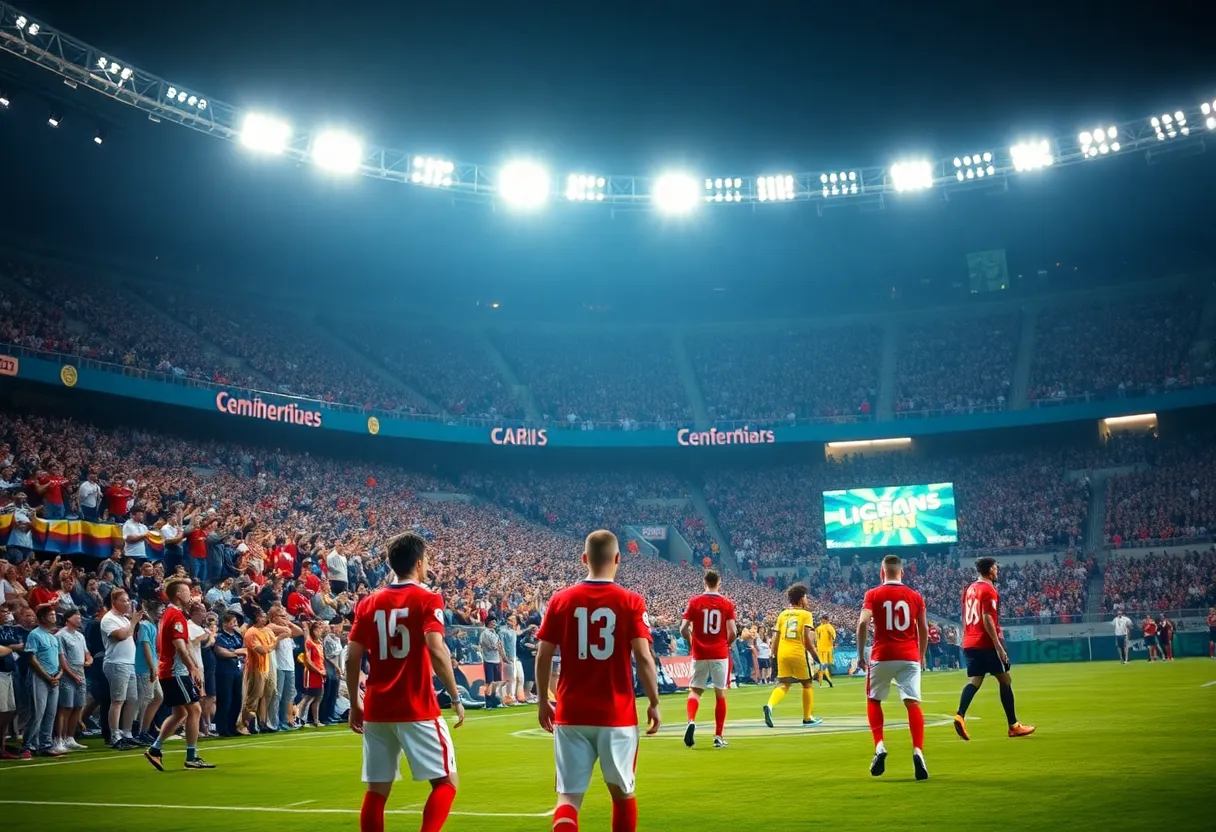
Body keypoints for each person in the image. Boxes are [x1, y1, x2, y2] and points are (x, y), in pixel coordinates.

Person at [535, 530, 661, 832]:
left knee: (567, 798)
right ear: (617, 559)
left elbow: (543, 655)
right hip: (616, 714)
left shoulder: (561, 600)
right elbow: (643, 657)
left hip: (572, 712)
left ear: (584, 559)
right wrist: (654, 702)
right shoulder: (631, 601)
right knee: (622, 794)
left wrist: (542, 700)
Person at [345, 531, 465, 832]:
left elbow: (352, 657)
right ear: (420, 562)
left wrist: (355, 704)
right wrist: (455, 696)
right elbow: (436, 648)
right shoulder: (427, 597)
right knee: (447, 782)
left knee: (376, 791)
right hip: (416, 706)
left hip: (377, 708)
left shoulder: (368, 603)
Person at [856, 555, 930, 780]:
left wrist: (861, 654)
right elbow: (923, 628)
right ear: (902, 572)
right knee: (912, 703)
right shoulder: (915, 596)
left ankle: (879, 746)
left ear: (882, 572)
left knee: (874, 699)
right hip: (909, 655)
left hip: (882, 654)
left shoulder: (873, 594)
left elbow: (862, 623)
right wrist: (922, 654)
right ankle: (918, 751)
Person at [953, 557, 1035, 740]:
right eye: (996, 568)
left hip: (969, 641)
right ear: (990, 570)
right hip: (986, 643)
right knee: (1005, 680)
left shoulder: (969, 589)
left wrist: (966, 636)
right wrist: (998, 646)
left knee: (975, 680)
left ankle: (960, 714)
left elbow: (965, 615)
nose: (997, 571)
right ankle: (1013, 726)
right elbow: (987, 618)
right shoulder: (989, 590)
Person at [144, 578, 215, 770]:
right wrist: (192, 667)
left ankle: (155, 749)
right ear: (178, 595)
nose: (190, 595)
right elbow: (181, 648)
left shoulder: (171, 614)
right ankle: (191, 756)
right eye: (187, 591)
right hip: (176, 671)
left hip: (170, 670)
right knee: (195, 710)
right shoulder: (175, 616)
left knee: (180, 712)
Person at [679, 569, 736, 749]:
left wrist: (691, 641)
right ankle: (718, 736)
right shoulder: (727, 604)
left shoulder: (695, 602)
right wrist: (726, 643)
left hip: (700, 652)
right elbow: (733, 631)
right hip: (719, 653)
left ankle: (691, 721)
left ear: (704, 582)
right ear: (719, 582)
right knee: (720, 695)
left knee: (695, 690)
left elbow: (683, 628)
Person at [763, 585, 821, 728]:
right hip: (798, 652)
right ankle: (807, 717)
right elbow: (807, 640)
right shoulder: (806, 615)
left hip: (783, 652)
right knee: (807, 684)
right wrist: (817, 657)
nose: (807, 600)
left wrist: (773, 654)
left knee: (783, 684)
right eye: (806, 597)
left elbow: (776, 636)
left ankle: (770, 706)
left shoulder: (783, 614)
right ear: (801, 599)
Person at [101, 588, 143, 749]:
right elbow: (121, 636)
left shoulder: (124, 619)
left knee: (132, 699)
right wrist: (133, 622)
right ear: (114, 602)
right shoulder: (109, 619)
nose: (128, 603)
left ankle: (127, 733)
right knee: (117, 700)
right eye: (124, 600)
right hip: (116, 662)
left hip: (129, 663)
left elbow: (131, 636)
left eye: (128, 600)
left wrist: (132, 622)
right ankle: (115, 735)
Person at [23, 605, 63, 757]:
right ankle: (28, 746)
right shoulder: (35, 635)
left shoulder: (53, 637)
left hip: (54, 677)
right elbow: (32, 659)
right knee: (38, 713)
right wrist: (47, 676)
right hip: (39, 678)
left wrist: (59, 674)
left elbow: (60, 658)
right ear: (43, 618)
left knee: (51, 713)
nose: (54, 617)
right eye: (51, 615)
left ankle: (45, 745)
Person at [53, 608, 91, 752]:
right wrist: (73, 675)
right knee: (66, 707)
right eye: (77, 616)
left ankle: (70, 737)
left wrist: (89, 660)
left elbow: (87, 653)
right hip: (68, 672)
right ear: (68, 618)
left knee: (78, 706)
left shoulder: (80, 636)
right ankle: (59, 738)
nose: (80, 619)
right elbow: (62, 659)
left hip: (80, 670)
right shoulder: (60, 635)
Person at [135, 601, 163, 745]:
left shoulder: (152, 625)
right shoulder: (145, 625)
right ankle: (138, 732)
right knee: (145, 699)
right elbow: (145, 646)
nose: (161, 612)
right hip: (144, 667)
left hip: (152, 666)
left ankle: (144, 730)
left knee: (158, 697)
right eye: (159, 609)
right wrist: (152, 667)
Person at [299, 620, 327, 727]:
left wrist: (323, 670)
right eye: (318, 629)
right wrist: (318, 670)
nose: (320, 631)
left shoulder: (319, 643)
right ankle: (300, 718)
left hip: (320, 672)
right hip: (312, 673)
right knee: (309, 697)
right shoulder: (309, 643)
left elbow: (321, 659)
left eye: (320, 629)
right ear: (313, 630)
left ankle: (316, 720)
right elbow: (309, 660)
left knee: (318, 697)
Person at [479, 617, 504, 709]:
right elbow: (490, 646)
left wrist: (503, 656)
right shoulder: (485, 633)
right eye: (493, 621)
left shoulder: (495, 634)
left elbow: (499, 646)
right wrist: (497, 646)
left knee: (495, 682)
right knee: (489, 682)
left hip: (496, 659)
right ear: (489, 622)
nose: (495, 623)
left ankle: (494, 700)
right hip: (488, 659)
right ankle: (488, 701)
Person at [815, 615, 836, 688]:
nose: (822, 621)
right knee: (824, 664)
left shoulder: (819, 628)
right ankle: (824, 679)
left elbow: (816, 638)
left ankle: (822, 680)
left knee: (822, 665)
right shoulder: (829, 627)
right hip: (826, 649)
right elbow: (834, 636)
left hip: (822, 649)